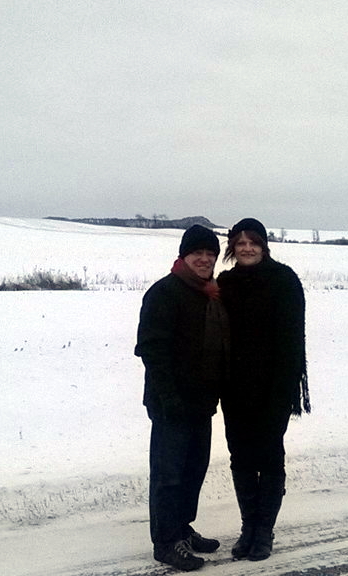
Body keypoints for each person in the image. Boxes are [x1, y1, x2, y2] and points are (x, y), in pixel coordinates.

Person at [135, 224, 229, 572]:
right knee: (169, 475)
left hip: (201, 402)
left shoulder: (210, 293)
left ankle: (182, 529)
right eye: (197, 253)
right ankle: (166, 541)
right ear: (183, 256)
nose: (204, 259)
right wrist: (169, 398)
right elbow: (151, 349)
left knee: (193, 471)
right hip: (170, 403)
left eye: (210, 253)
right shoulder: (164, 293)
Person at [217, 217, 310, 562]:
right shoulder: (225, 283)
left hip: (273, 388)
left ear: (264, 245)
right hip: (234, 389)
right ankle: (248, 528)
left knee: (269, 456)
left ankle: (264, 531)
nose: (247, 248)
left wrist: (284, 392)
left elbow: (292, 343)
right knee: (240, 457)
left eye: (253, 242)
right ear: (232, 247)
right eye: (240, 242)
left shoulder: (284, 280)